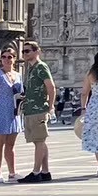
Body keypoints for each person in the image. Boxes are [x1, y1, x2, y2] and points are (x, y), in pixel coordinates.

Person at [18, 40, 56, 184]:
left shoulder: (41, 67)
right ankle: (45, 172)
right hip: (30, 109)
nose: (25, 54)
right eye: (23, 51)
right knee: (39, 141)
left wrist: (50, 107)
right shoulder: (31, 69)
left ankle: (36, 172)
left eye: (27, 51)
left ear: (37, 51)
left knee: (39, 141)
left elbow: (51, 87)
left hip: (39, 109)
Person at [0, 45, 24, 182]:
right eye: (4, 57)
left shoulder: (18, 75)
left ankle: (12, 172)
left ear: (14, 59)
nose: (7, 59)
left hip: (14, 111)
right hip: (0, 110)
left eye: (10, 57)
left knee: (10, 144)